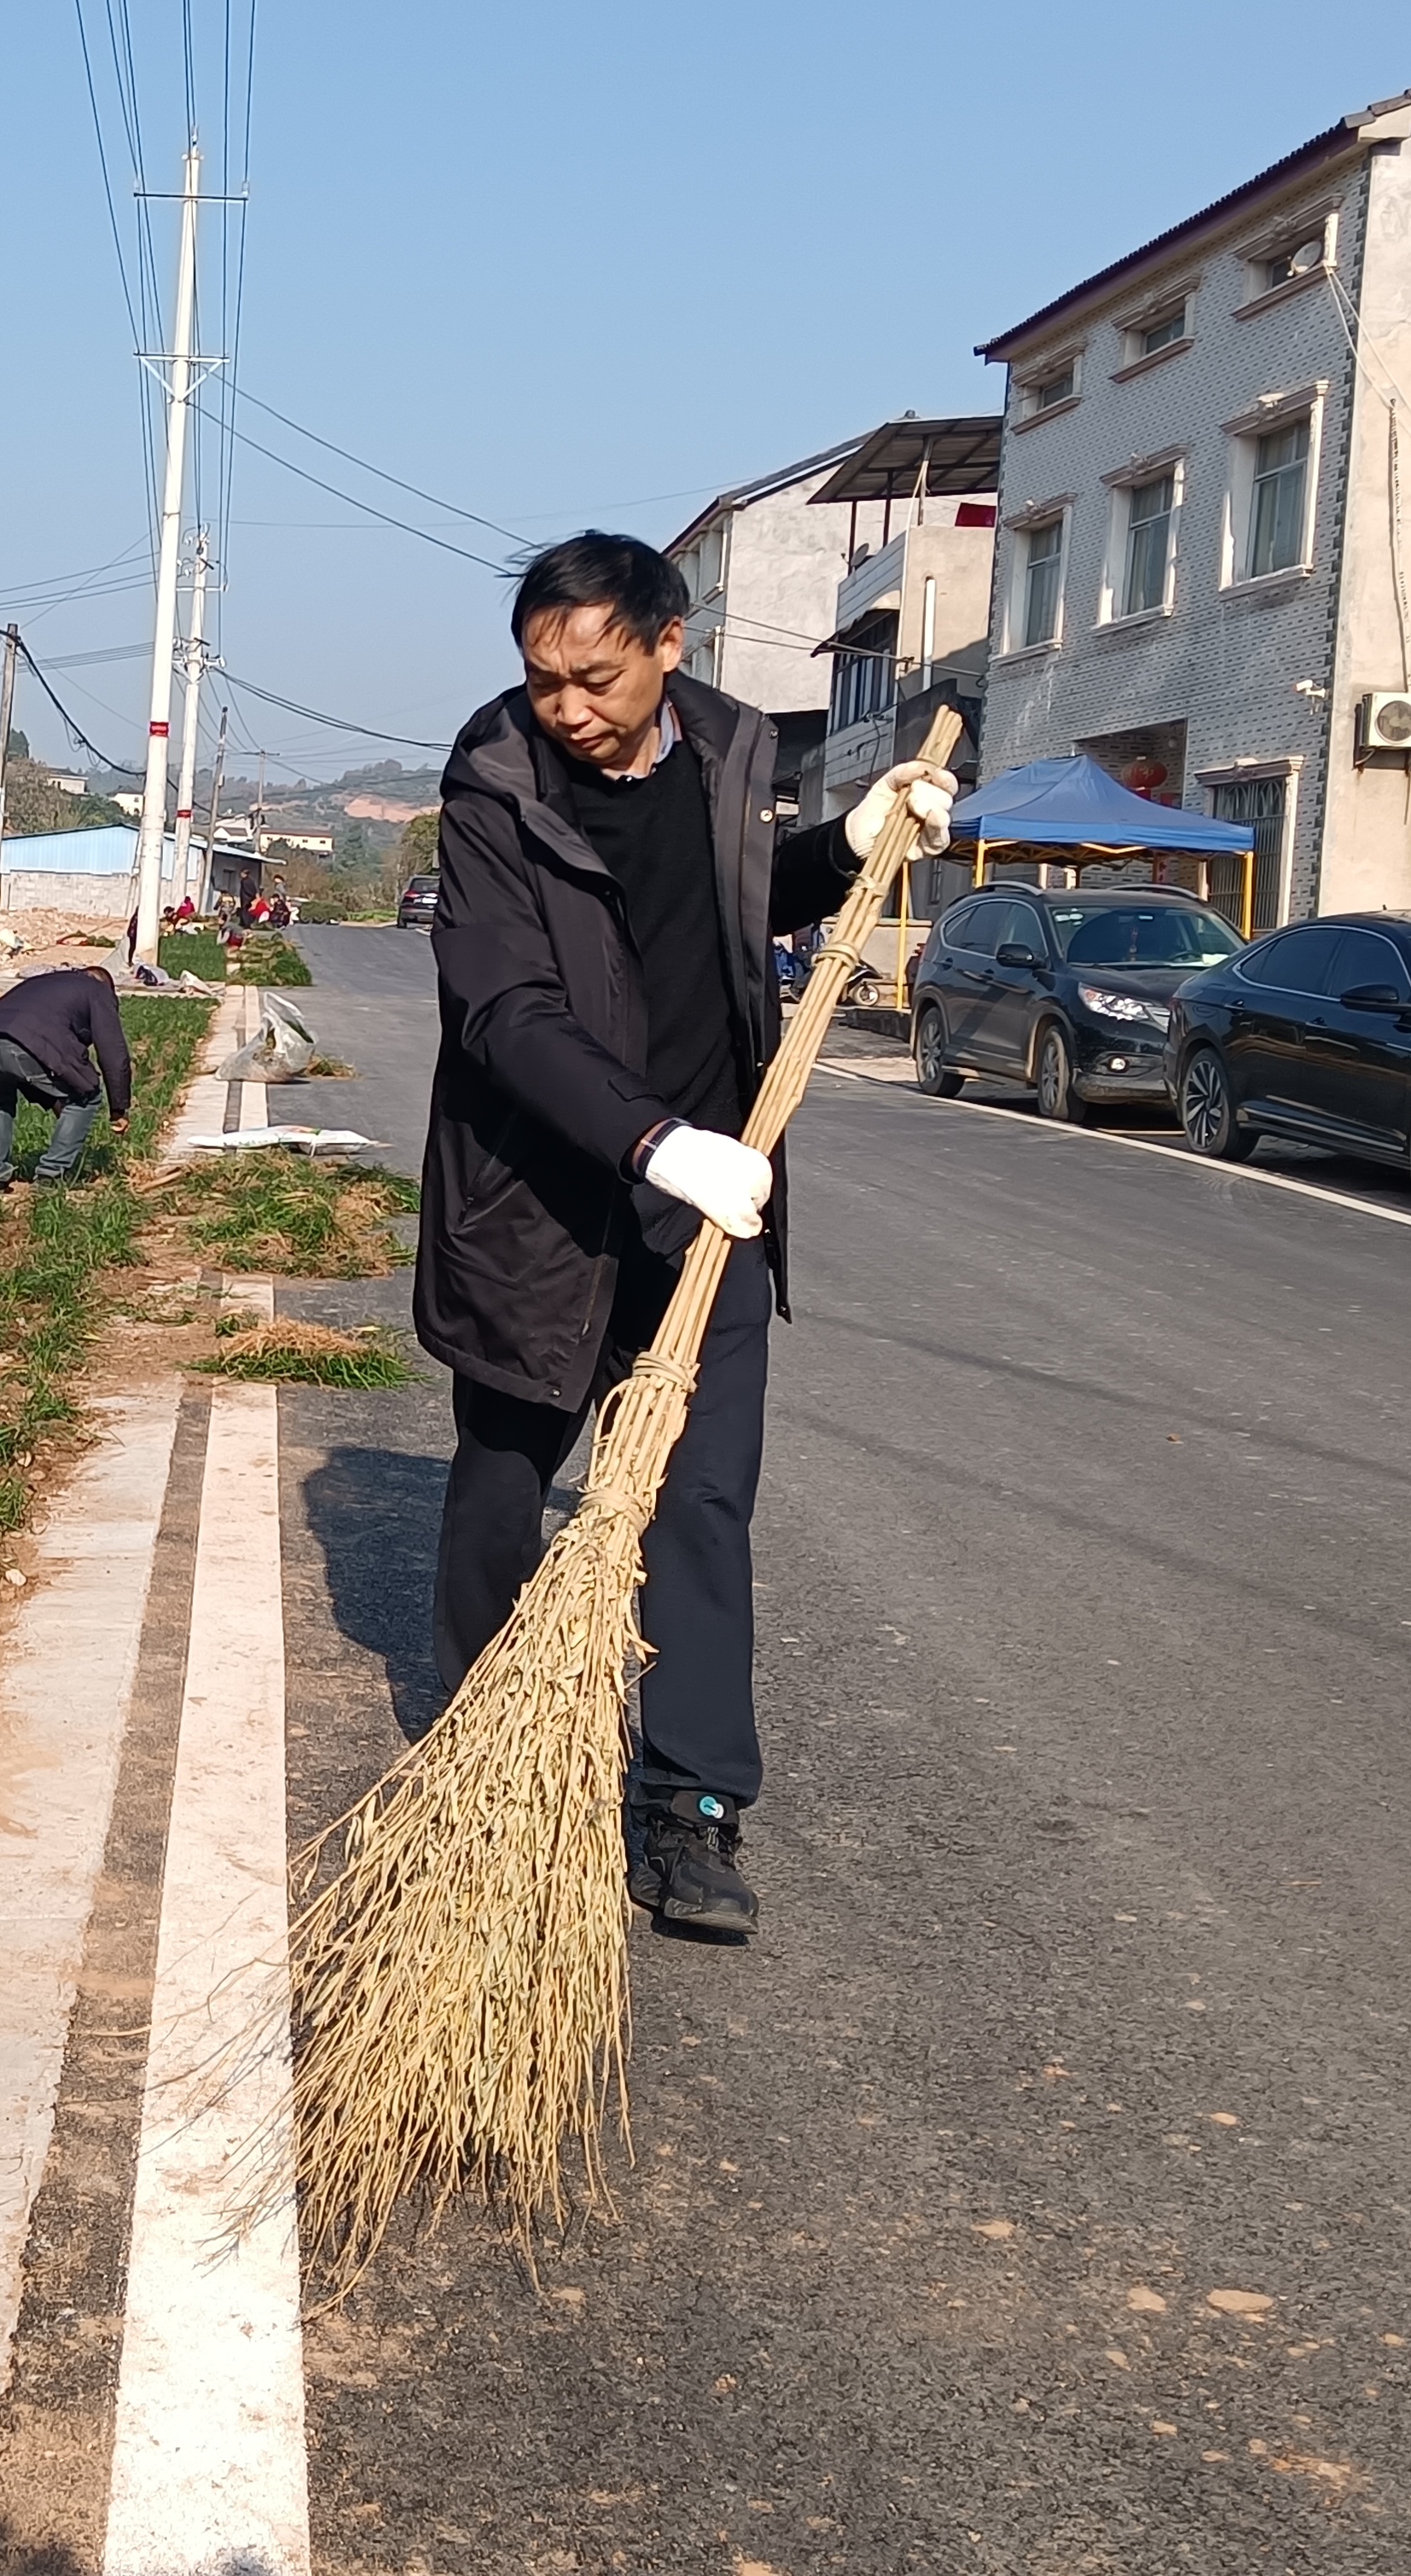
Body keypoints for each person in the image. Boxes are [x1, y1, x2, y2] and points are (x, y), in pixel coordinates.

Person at [415, 530, 953, 1941]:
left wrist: (847, 845)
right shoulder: (493, 783)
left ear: (670, 645)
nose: (567, 708)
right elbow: (505, 1010)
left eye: (594, 678)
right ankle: (486, 1757)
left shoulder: (726, 752)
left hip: (709, 1209)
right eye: (543, 679)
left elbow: (728, 906)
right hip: (539, 1199)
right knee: (502, 1486)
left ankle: (692, 1802)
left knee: (702, 1505)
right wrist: (653, 1138)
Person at [0, 964, 132, 1189]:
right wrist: (119, 1108)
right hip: (24, 1044)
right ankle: (50, 1175)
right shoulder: (97, 990)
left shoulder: (43, 982)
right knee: (88, 1096)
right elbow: (113, 1052)